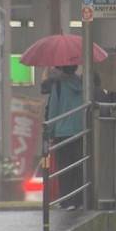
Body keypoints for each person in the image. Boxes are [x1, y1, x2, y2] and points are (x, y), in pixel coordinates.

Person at [43, 65, 84, 209]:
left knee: (64, 168)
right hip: (80, 131)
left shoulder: (58, 85)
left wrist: (49, 132)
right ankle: (79, 199)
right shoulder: (82, 84)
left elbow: (53, 110)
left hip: (62, 133)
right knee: (79, 167)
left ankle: (67, 200)